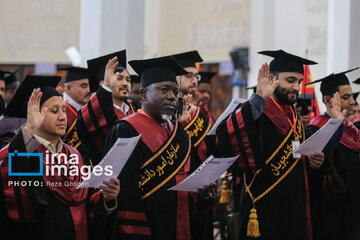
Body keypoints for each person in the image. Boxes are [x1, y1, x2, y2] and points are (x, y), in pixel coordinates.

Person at [217, 49, 324, 239]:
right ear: (272, 78)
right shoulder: (256, 111)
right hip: (264, 205)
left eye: (299, 82)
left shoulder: (293, 116)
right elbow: (226, 136)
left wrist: (310, 161)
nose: (296, 87)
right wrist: (257, 99)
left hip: (294, 205)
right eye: (290, 81)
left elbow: (294, 156)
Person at [0, 75, 120, 240]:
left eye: (63, 109)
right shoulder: (28, 154)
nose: (63, 117)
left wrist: (105, 198)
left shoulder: (74, 155)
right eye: (54, 111)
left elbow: (84, 209)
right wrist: (29, 131)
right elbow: (14, 185)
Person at [102, 55, 198, 239]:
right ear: (144, 94)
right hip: (147, 229)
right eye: (164, 90)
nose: (172, 96)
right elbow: (125, 195)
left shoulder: (177, 132)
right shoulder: (126, 130)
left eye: (175, 91)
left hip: (180, 225)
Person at [305, 68, 360, 240]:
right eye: (346, 97)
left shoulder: (352, 131)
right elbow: (322, 164)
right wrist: (335, 123)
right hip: (331, 214)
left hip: (354, 210)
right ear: (328, 100)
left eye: (351, 96)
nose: (353, 102)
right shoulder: (313, 130)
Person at [77, 50, 134, 165]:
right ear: (103, 83)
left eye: (128, 80)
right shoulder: (95, 110)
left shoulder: (134, 111)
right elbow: (106, 126)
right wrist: (106, 87)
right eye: (119, 78)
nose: (125, 83)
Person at [61, 67, 90, 150]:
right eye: (84, 86)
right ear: (69, 88)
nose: (89, 90)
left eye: (90, 86)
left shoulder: (88, 108)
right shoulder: (61, 108)